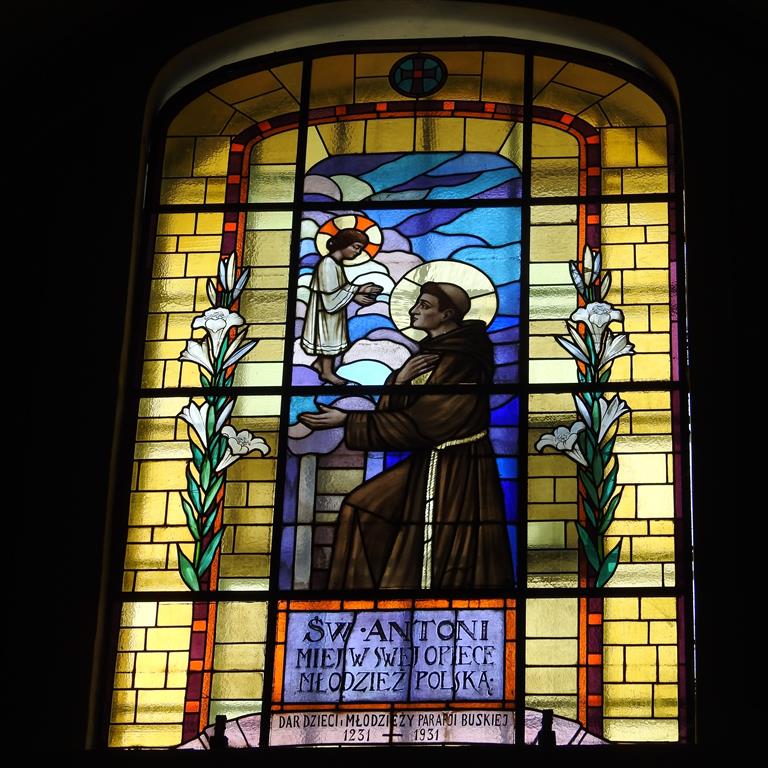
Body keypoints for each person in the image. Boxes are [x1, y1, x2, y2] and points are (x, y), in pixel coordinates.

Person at [299, 281, 514, 589]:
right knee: (361, 507)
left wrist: (348, 420)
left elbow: (428, 422)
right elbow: (404, 411)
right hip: (428, 459)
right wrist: (399, 380)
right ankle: (355, 600)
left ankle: (405, 595)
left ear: (447, 315)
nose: (413, 310)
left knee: (407, 527)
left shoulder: (463, 359)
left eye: (424, 305)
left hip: (456, 467)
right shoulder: (432, 353)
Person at [300, 228, 381, 385]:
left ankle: (320, 365)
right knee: (328, 338)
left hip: (329, 309)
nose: (358, 252)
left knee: (329, 337)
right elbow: (330, 296)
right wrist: (355, 294)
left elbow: (339, 289)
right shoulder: (328, 264)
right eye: (356, 247)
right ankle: (327, 373)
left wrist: (358, 290)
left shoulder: (334, 264)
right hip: (325, 311)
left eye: (360, 249)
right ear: (344, 244)